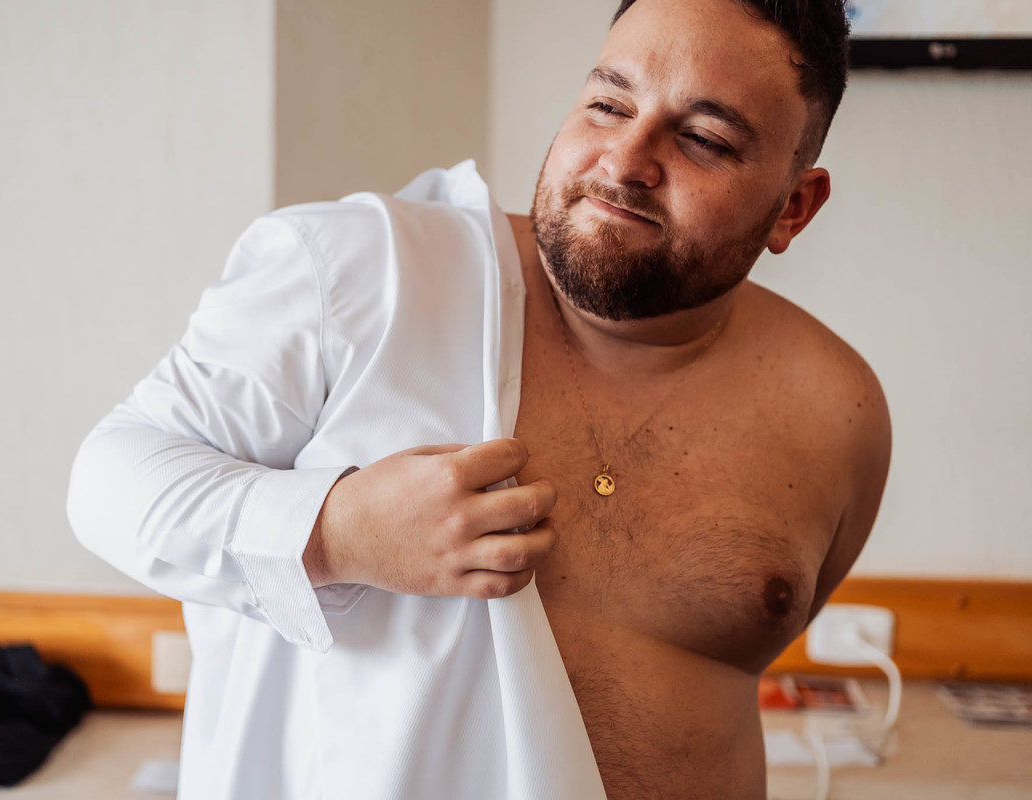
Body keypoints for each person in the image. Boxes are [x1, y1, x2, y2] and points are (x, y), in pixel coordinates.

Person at [67, 0, 891, 797]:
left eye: (703, 139)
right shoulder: (357, 273)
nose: (625, 162)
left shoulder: (836, 410)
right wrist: (340, 532)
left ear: (793, 207)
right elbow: (107, 479)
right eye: (608, 103)